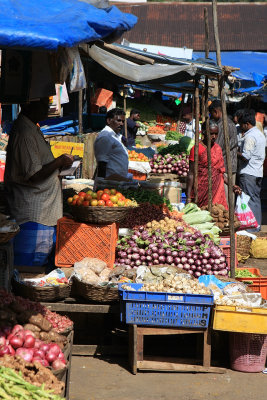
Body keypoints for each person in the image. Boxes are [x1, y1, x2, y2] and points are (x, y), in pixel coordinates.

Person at [4, 98, 73, 267]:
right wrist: (59, 161)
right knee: (28, 271)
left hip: (43, 213)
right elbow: (33, 174)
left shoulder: (31, 128)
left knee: (37, 268)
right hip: (33, 213)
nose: (47, 108)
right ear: (28, 104)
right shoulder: (25, 132)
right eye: (42, 104)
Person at [186, 121, 228, 208]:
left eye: (216, 134)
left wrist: (232, 186)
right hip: (201, 190)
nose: (214, 137)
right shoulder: (196, 149)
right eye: (211, 134)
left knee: (218, 213)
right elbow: (191, 173)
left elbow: (220, 172)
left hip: (217, 189)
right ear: (204, 132)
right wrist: (188, 197)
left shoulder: (218, 148)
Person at [237, 109, 266, 231]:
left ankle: (251, 226)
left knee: (248, 200)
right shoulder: (260, 134)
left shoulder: (250, 136)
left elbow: (246, 156)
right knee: (255, 199)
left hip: (249, 173)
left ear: (247, 124)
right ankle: (257, 225)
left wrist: (234, 152)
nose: (241, 128)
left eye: (242, 125)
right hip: (258, 171)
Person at [209, 100, 238, 201]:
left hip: (225, 164)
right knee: (229, 195)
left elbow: (218, 147)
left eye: (211, 113)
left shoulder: (223, 125)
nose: (211, 116)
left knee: (225, 196)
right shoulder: (230, 123)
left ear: (216, 111)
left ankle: (226, 215)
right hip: (230, 164)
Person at [94, 108, 131, 183]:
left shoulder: (115, 135)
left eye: (123, 121)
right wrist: (102, 185)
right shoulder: (105, 136)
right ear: (109, 121)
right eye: (118, 120)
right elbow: (102, 163)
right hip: (109, 183)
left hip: (117, 181)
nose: (121, 124)